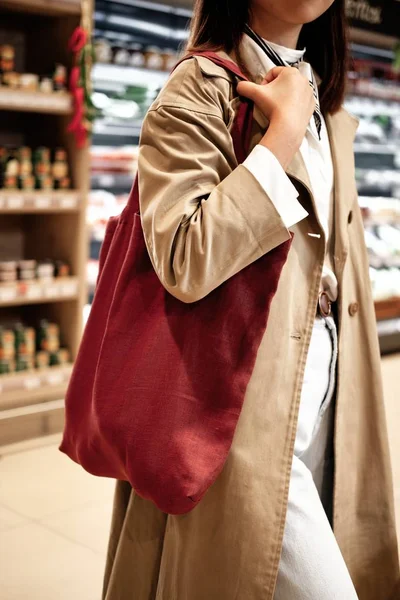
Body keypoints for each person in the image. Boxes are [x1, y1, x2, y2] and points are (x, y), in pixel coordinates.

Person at [102, 1, 400, 598]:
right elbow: (185, 254)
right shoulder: (203, 85)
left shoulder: (324, 99)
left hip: (324, 391)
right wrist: (282, 136)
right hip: (238, 406)